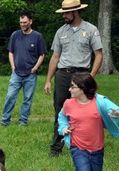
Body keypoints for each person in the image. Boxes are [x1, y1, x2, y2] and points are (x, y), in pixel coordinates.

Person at [58, 73, 119, 171]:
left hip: (97, 148)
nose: (69, 89)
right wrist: (63, 128)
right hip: (77, 146)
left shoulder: (100, 102)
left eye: (73, 87)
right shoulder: (68, 104)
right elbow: (62, 117)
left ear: (83, 88)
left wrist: (116, 115)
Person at [44, 0, 103, 157]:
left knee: (83, 111)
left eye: (66, 13)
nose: (64, 15)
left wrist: (91, 76)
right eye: (63, 12)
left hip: (82, 74)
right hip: (63, 75)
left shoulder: (91, 30)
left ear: (76, 12)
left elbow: (98, 54)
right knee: (60, 112)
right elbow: (55, 56)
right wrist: (48, 79)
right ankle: (56, 149)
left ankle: (81, 146)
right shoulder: (60, 31)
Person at [0, 11, 47, 126]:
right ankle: (5, 120)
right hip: (16, 73)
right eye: (21, 22)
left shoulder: (37, 36)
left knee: (27, 99)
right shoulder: (15, 35)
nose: (23, 24)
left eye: (25, 22)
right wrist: (12, 66)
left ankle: (23, 121)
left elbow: (42, 54)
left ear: (30, 21)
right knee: (10, 96)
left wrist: (35, 68)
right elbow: (11, 52)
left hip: (30, 74)